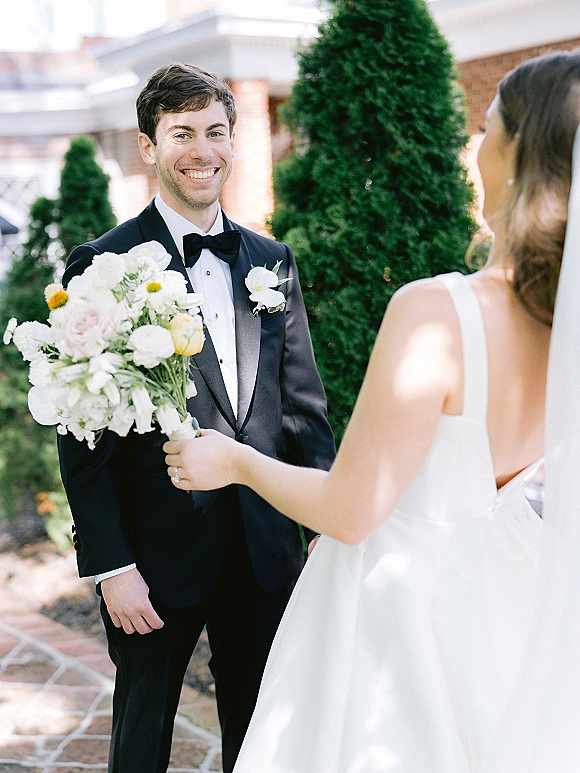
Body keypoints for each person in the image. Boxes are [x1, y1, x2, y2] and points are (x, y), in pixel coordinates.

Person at [164, 51, 580, 772]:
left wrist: (232, 459)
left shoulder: (438, 310)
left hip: (395, 617)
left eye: (486, 130)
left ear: (518, 155)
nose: (474, 151)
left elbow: (350, 510)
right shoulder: (562, 326)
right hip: (507, 599)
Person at [57, 63, 335, 773]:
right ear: (148, 146)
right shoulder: (103, 262)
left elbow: (303, 410)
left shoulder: (273, 261)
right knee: (142, 736)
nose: (201, 149)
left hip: (266, 546)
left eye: (215, 131)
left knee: (265, 736)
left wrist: (325, 528)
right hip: (153, 559)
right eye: (181, 132)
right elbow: (81, 435)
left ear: (234, 141)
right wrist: (112, 563)